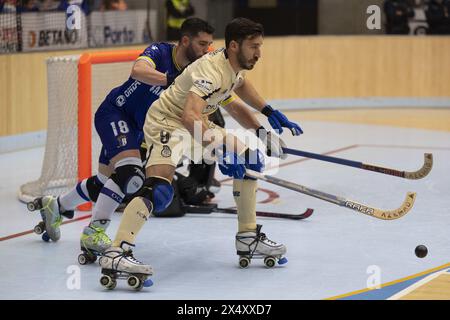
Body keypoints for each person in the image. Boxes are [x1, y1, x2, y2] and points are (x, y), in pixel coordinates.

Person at [98, 17, 303, 289]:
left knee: (251, 158)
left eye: (260, 46)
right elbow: (188, 115)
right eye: (254, 47)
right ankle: (116, 252)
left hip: (197, 123)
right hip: (168, 122)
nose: (258, 53)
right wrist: (219, 150)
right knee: (159, 189)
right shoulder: (210, 71)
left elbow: (239, 89)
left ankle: (248, 237)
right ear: (233, 45)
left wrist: (265, 122)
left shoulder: (233, 66)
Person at [29, 18, 215, 263]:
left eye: (209, 45)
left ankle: (57, 205)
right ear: (185, 41)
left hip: (140, 129)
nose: (206, 51)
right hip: (115, 113)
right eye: (202, 44)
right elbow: (137, 71)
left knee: (107, 182)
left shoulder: (193, 73)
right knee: (129, 174)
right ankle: (94, 232)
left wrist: (213, 142)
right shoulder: (160, 52)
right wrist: (169, 81)